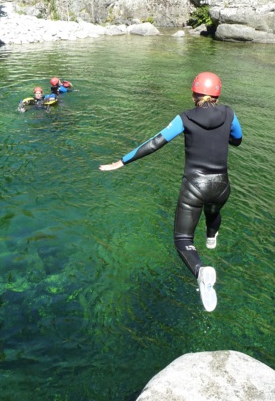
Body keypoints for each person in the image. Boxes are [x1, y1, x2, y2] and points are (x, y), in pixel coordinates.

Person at [99, 72, 242, 312]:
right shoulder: (229, 113)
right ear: (217, 95)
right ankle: (211, 237)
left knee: (183, 239)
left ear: (193, 93)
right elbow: (237, 140)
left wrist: (122, 161)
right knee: (213, 209)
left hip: (195, 186)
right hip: (221, 186)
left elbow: (155, 142)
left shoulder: (184, 118)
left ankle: (201, 270)